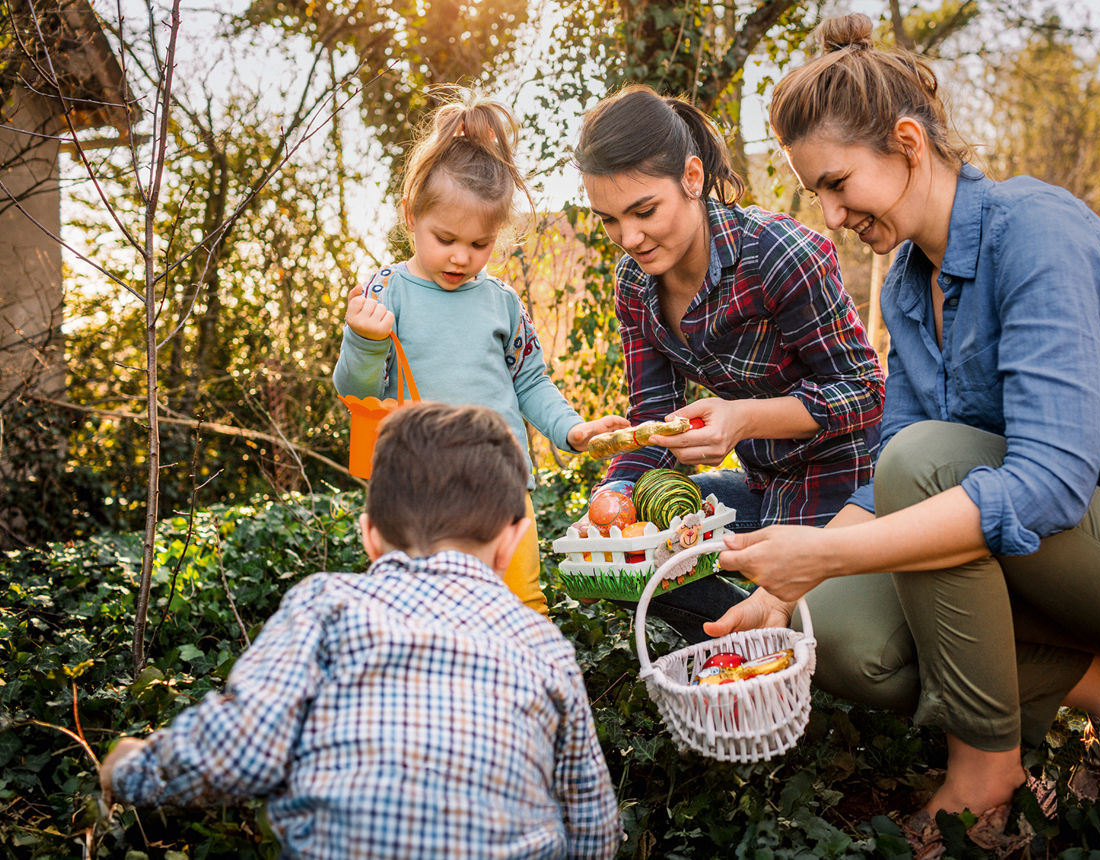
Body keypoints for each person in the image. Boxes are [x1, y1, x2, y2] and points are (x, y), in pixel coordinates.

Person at [705, 12, 1100, 857]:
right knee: (844, 636)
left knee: (928, 463)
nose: (829, 215)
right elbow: (884, 482)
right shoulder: (909, 282)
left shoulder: (1033, 231)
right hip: (1098, 565)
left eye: (837, 184)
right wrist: (791, 585)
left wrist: (829, 554)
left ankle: (985, 773)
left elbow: (1044, 482)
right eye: (814, 195)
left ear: (908, 142)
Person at [99, 402, 624, 859]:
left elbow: (242, 750)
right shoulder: (542, 644)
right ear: (513, 541)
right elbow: (593, 827)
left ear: (370, 535)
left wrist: (132, 768)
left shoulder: (327, 604)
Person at [571, 84, 886, 642]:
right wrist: (609, 509)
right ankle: (753, 648)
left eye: (644, 211)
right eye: (609, 220)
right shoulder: (634, 287)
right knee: (644, 569)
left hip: (847, 487)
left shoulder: (779, 254)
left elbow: (865, 391)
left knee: (836, 637)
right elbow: (652, 415)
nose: (630, 238)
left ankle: (795, 637)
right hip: (763, 486)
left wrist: (742, 418)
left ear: (692, 178)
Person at [334, 87, 627, 617]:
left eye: (480, 244)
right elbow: (356, 393)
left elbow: (530, 382)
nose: (461, 257)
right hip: (416, 487)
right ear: (410, 217)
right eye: (445, 238)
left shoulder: (503, 303)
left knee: (521, 603)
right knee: (420, 615)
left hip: (501, 483)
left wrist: (572, 429)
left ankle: (526, 694)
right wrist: (364, 340)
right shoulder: (387, 293)